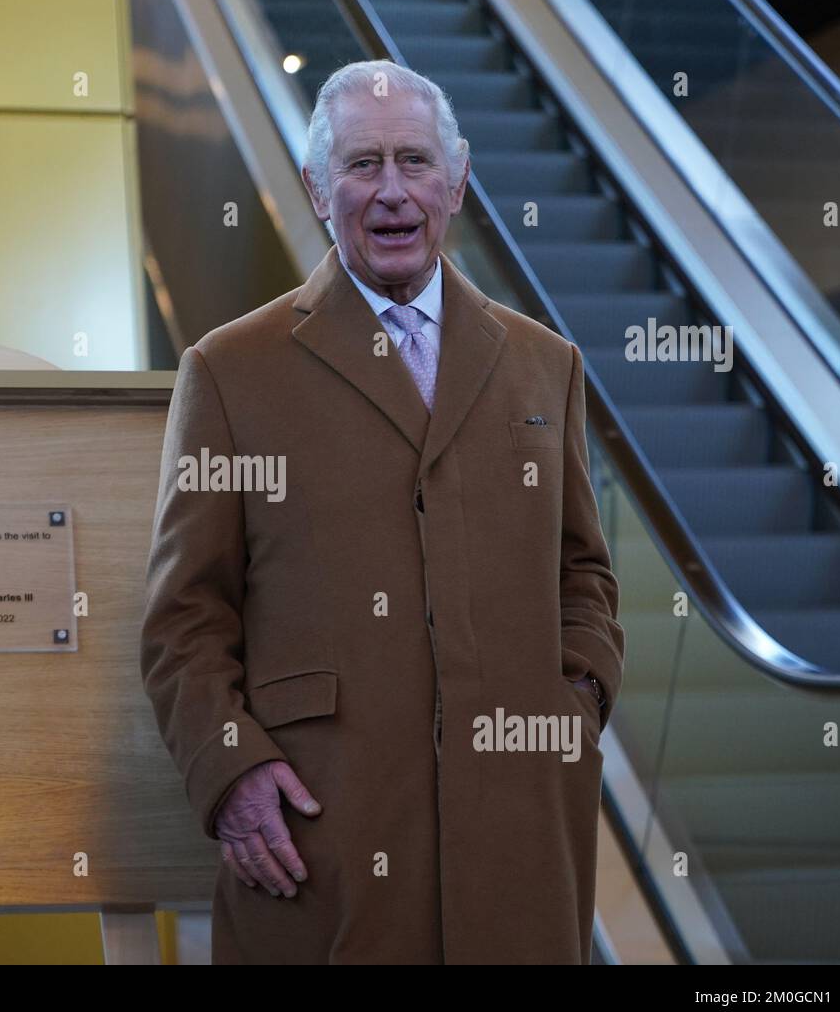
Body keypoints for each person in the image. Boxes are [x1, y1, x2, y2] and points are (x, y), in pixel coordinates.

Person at [140, 60, 624, 964]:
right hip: (323, 831)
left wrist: (578, 700)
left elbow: (582, 570)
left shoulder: (543, 363)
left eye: (415, 161)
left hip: (519, 827)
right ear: (317, 189)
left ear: (459, 178)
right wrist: (230, 770)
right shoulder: (229, 371)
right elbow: (184, 617)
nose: (393, 192)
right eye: (364, 165)